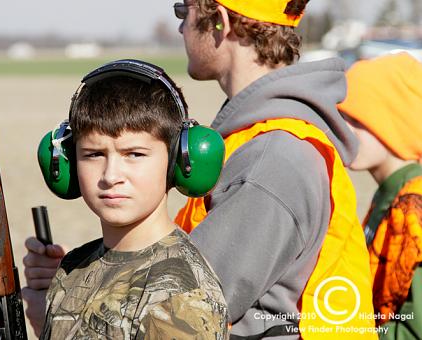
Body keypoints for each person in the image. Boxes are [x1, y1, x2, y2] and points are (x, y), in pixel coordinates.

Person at [24, 1, 378, 338]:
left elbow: (180, 303)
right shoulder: (257, 140)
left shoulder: (274, 157)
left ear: (219, 21)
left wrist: (70, 311)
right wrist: (86, 275)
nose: (180, 26)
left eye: (184, 10)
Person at [31, 61, 230, 339]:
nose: (111, 175)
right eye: (93, 154)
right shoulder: (73, 266)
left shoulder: (176, 296)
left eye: (134, 154)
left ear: (178, 161)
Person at [337, 52, 422, 339]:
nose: (341, 128)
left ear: (389, 126)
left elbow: (415, 328)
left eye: (355, 119)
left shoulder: (414, 207)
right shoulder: (390, 194)